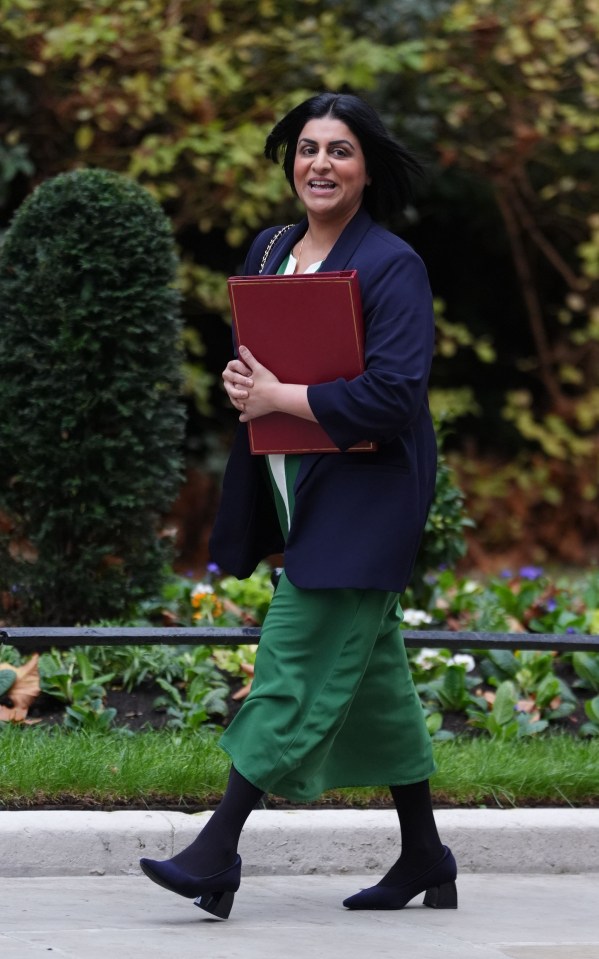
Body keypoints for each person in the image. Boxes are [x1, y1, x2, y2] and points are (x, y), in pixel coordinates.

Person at [140, 91, 457, 920]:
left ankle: (217, 848)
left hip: (370, 496)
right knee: (378, 683)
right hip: (298, 486)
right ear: (291, 161)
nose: (320, 163)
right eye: (308, 148)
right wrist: (248, 384)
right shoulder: (273, 246)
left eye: (340, 150)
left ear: (366, 168)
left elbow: (393, 393)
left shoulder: (393, 264)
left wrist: (284, 392)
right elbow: (262, 363)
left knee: (290, 659)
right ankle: (426, 854)